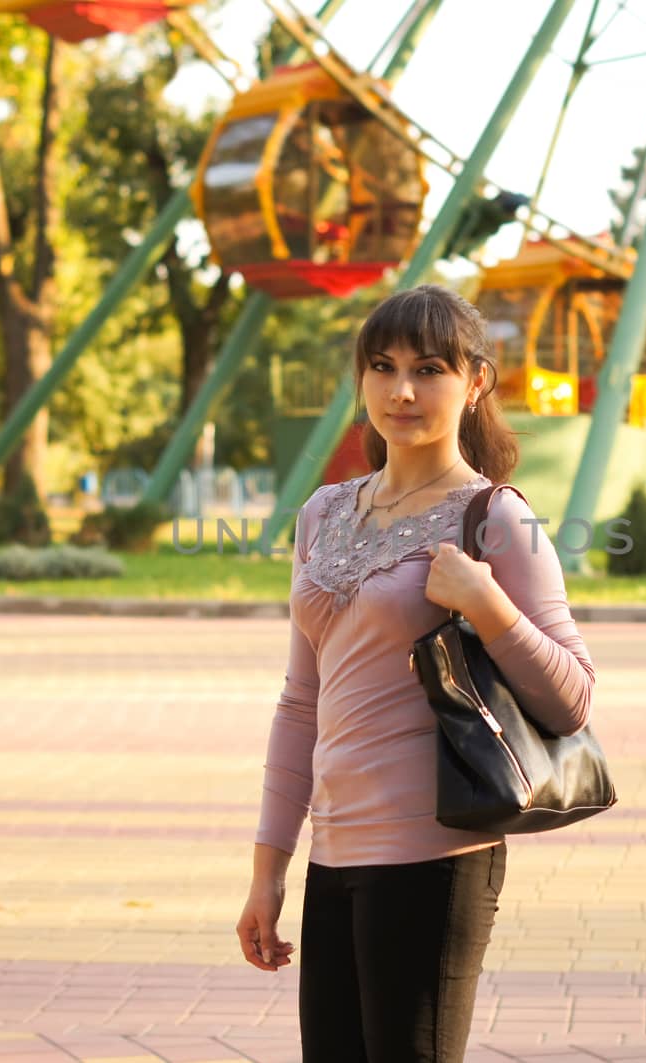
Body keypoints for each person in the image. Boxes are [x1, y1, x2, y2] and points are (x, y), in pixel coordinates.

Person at [235, 284, 598, 1062]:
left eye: (429, 368)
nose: (402, 389)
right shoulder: (323, 513)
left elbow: (572, 698)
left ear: (474, 384)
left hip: (434, 860)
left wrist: (488, 601)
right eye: (382, 366)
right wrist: (269, 871)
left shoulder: (496, 517)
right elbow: (302, 703)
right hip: (333, 857)